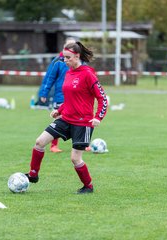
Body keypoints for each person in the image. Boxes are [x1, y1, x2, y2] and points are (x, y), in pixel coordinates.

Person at [25, 41, 108, 194]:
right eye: (63, 57)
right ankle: (33, 175)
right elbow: (70, 97)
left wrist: (98, 117)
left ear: (77, 56)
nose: (65, 60)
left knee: (75, 159)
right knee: (39, 142)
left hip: (83, 123)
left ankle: (88, 186)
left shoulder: (88, 74)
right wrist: (60, 110)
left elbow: (102, 98)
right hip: (66, 118)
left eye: (68, 57)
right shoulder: (69, 72)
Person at [38, 37, 76, 153]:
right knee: (59, 118)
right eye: (68, 46)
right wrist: (44, 93)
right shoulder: (58, 61)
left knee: (77, 119)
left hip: (74, 96)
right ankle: (54, 145)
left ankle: (80, 145)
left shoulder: (78, 61)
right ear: (64, 47)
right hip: (60, 95)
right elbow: (49, 78)